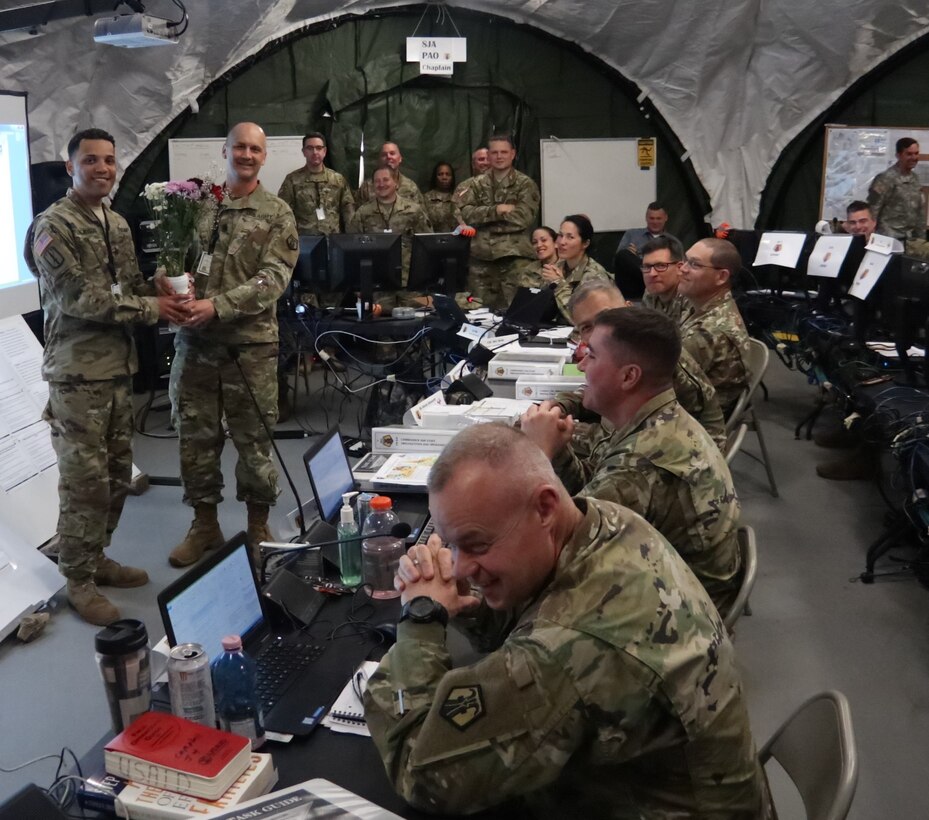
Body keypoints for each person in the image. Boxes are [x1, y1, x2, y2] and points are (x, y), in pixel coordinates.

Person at [363, 423, 770, 817]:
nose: (460, 566)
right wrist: (465, 597)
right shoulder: (604, 522)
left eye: (476, 544)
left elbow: (421, 774)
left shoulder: (567, 648)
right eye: (449, 545)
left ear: (544, 507)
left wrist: (420, 620)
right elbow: (525, 622)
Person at [25, 128, 188, 624]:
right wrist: (151, 307)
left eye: (109, 161)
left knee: (117, 478)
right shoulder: (53, 226)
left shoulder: (115, 222)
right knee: (85, 483)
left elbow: (125, 284)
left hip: (117, 372)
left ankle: (96, 556)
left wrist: (157, 285)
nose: (102, 168)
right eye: (91, 160)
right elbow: (81, 299)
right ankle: (76, 577)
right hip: (76, 377)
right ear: (70, 166)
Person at [522, 306, 740, 611]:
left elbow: (557, 549)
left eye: (592, 356)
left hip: (673, 614)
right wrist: (558, 452)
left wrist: (537, 456)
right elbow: (593, 498)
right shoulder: (656, 418)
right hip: (663, 580)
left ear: (628, 376)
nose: (582, 365)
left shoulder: (644, 462)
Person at [167, 122, 299, 568]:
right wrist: (167, 282)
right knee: (195, 439)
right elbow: (180, 259)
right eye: (239, 147)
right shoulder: (198, 206)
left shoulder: (278, 212)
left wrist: (217, 306)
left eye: (255, 149)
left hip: (249, 348)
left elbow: (273, 279)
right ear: (225, 150)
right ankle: (204, 524)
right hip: (196, 345)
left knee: (253, 440)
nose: (246, 154)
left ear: (264, 157)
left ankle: (257, 525)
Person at [555, 280, 726, 450]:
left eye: (606, 316)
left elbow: (633, 435)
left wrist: (561, 429)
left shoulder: (653, 352)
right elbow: (604, 389)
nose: (599, 329)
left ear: (628, 308)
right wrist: (562, 404)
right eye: (586, 327)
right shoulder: (621, 350)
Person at [455, 134, 540, 310]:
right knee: (480, 313)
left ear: (513, 154)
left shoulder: (525, 184)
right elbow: (466, 214)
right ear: (489, 155)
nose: (499, 156)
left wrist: (484, 222)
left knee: (517, 312)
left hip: (515, 260)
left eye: (504, 152)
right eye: (494, 152)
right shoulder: (475, 185)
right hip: (481, 261)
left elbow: (522, 219)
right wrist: (497, 210)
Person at [678, 237, 751, 417]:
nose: (683, 269)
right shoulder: (702, 306)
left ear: (721, 277)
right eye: (685, 260)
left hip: (695, 424)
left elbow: (663, 384)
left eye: (694, 265)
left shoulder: (709, 330)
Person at [348, 165, 433, 291]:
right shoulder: (363, 213)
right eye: (377, 181)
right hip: (376, 283)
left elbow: (428, 244)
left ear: (396, 182)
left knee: (415, 311)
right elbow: (352, 249)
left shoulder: (414, 210)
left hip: (410, 283)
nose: (381, 184)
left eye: (385, 180)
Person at [277, 132, 354, 235]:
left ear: (325, 151)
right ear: (304, 152)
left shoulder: (337, 179)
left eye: (318, 148)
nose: (315, 152)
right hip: (304, 243)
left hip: (333, 242)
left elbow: (348, 212)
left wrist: (351, 240)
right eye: (310, 148)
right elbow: (283, 213)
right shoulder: (292, 180)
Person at [537, 214, 611, 322]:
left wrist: (558, 284)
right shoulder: (557, 267)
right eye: (560, 235)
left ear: (585, 243)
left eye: (570, 237)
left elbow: (582, 320)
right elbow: (540, 309)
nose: (562, 242)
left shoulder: (594, 274)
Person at [867, 137, 924, 244]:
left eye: (916, 153)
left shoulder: (915, 179)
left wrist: (922, 239)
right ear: (898, 155)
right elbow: (873, 210)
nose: (914, 157)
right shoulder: (885, 179)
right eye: (909, 154)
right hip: (888, 239)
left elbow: (919, 211)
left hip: (910, 239)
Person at [356, 141, 425, 207]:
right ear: (379, 160)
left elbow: (420, 215)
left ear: (400, 158)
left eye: (392, 153)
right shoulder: (367, 187)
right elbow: (358, 216)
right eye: (384, 155)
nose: (388, 157)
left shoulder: (410, 187)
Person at [640, 234, 691, 324]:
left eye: (661, 266)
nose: (652, 274)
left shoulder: (691, 296)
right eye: (647, 267)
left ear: (679, 268)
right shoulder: (650, 293)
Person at [422, 161, 458, 233]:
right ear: (435, 177)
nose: (444, 177)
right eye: (440, 174)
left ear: (452, 177)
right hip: (432, 240)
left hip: (455, 240)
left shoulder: (459, 198)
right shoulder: (425, 199)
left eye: (448, 174)